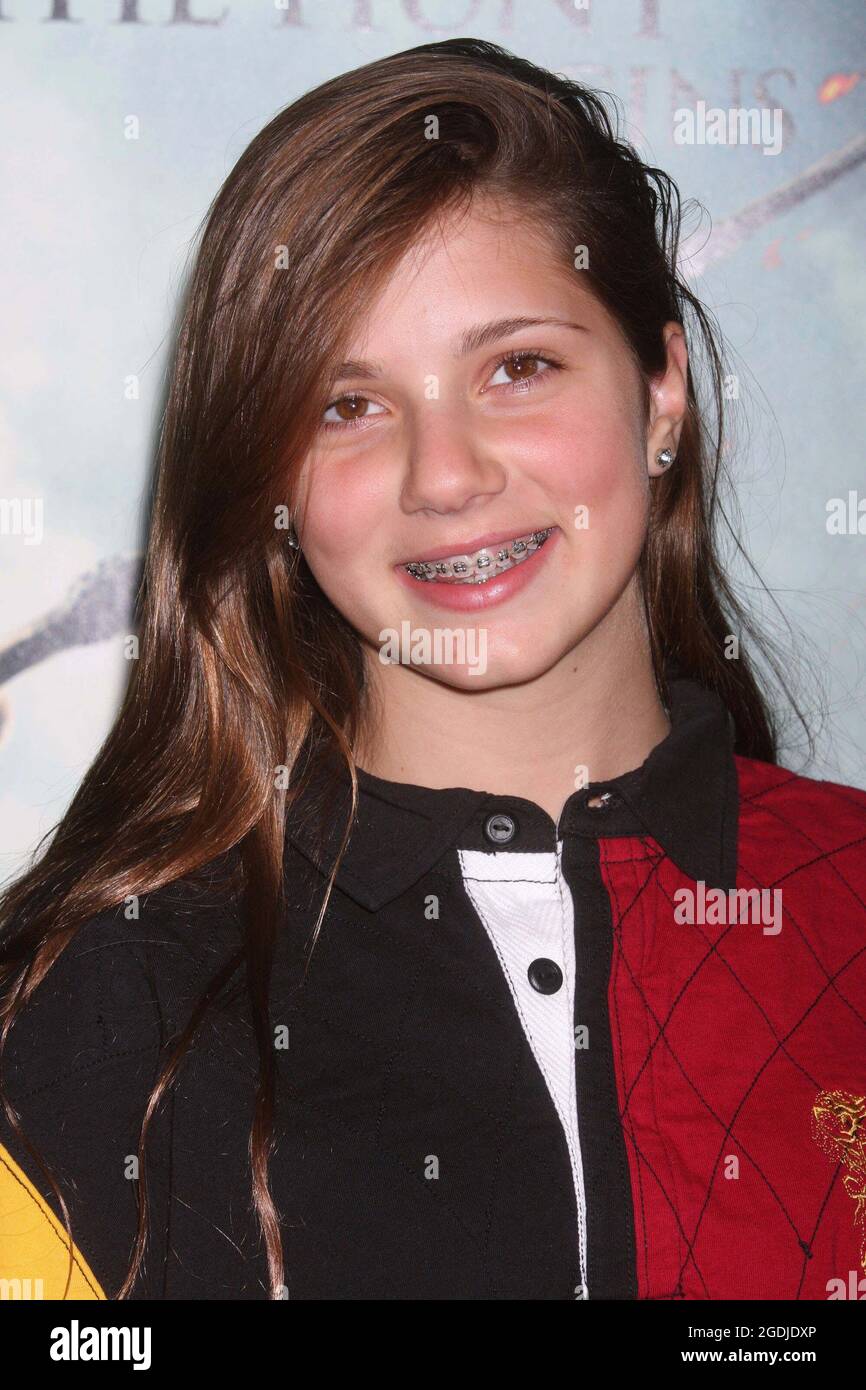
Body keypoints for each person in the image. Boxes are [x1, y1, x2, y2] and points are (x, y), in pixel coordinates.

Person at [1, 37, 864, 1303]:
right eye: (346, 404)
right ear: (269, 477)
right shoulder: (81, 1006)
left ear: (660, 388)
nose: (444, 474)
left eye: (517, 366)